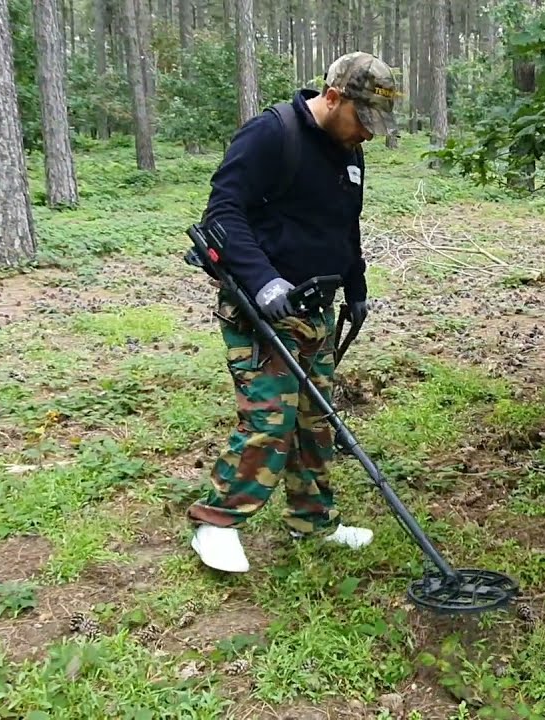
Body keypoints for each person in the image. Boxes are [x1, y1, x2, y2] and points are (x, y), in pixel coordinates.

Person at [187, 51, 401, 573]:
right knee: (270, 418)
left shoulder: (349, 149)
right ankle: (215, 523)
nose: (368, 134)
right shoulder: (271, 134)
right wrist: (263, 283)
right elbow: (223, 212)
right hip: (262, 310)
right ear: (332, 98)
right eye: (363, 120)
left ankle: (314, 522)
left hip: (316, 308)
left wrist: (356, 286)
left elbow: (343, 226)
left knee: (316, 422)